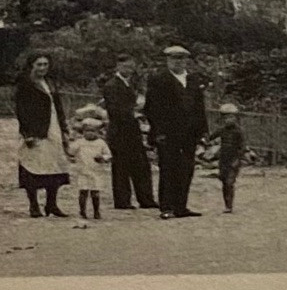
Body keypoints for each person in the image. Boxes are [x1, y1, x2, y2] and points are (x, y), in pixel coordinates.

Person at [143, 45, 209, 219]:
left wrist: (202, 131)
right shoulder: (159, 79)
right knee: (168, 168)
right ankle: (166, 206)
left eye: (181, 58)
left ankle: (181, 206)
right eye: (174, 58)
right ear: (168, 60)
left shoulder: (193, 80)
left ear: (186, 60)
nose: (178, 62)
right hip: (168, 133)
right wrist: (158, 132)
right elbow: (152, 108)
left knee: (186, 168)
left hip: (190, 133)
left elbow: (199, 107)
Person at [14, 50, 72, 218]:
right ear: (31, 65)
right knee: (33, 166)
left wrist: (64, 128)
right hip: (36, 130)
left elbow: (57, 106)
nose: (43, 68)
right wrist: (27, 133)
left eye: (45, 64)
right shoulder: (26, 84)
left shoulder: (50, 82)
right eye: (39, 64)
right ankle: (33, 205)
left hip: (53, 127)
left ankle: (51, 204)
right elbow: (21, 110)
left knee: (54, 165)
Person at [101, 53, 157, 210]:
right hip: (119, 131)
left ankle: (145, 198)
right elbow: (114, 110)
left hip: (132, 130)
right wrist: (134, 112)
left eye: (131, 67)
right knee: (121, 167)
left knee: (141, 165)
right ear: (118, 67)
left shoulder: (130, 84)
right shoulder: (112, 85)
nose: (129, 70)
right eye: (126, 67)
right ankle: (122, 201)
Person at [69, 116, 112, 223]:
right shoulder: (79, 142)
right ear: (83, 132)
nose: (89, 133)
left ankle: (96, 211)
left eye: (92, 131)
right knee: (83, 192)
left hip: (96, 171)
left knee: (95, 192)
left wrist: (102, 158)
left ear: (97, 132)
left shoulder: (101, 143)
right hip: (83, 170)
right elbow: (71, 151)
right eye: (87, 131)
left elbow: (108, 155)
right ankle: (82, 211)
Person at [212, 104, 245, 214]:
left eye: (231, 117)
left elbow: (242, 147)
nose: (229, 120)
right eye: (226, 117)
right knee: (224, 182)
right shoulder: (222, 130)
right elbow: (211, 136)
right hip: (223, 159)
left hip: (233, 159)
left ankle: (229, 206)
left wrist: (237, 160)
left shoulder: (238, 131)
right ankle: (226, 204)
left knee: (229, 182)